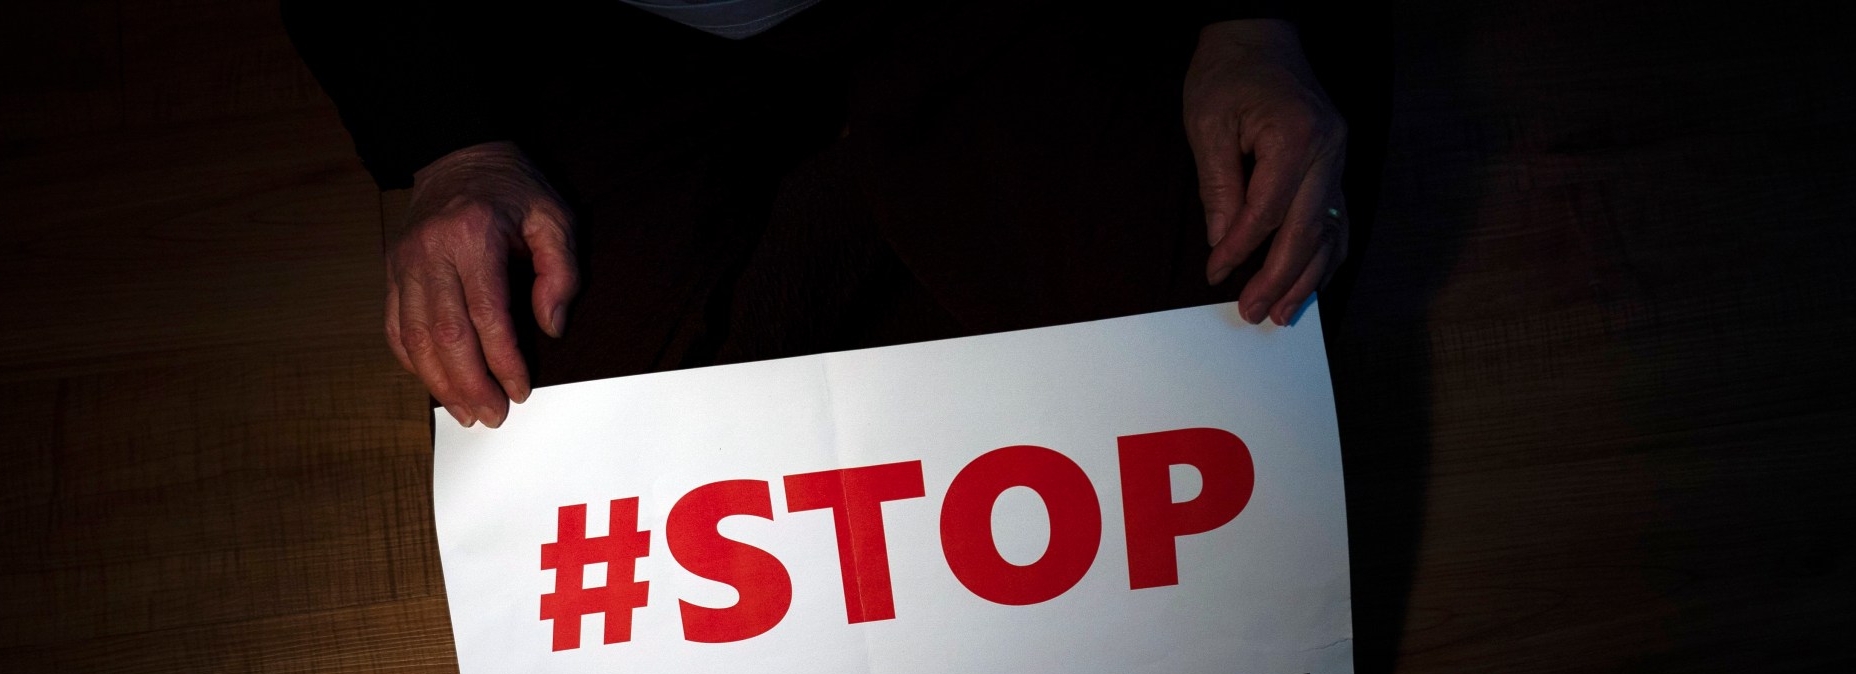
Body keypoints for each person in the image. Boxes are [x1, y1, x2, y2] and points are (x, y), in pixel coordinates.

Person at [284, 1, 1390, 428]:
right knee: (539, 420)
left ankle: (899, 191)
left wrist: (1257, 17)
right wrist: (451, 147)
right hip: (608, 31)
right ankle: (899, 193)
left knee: (1239, 296)